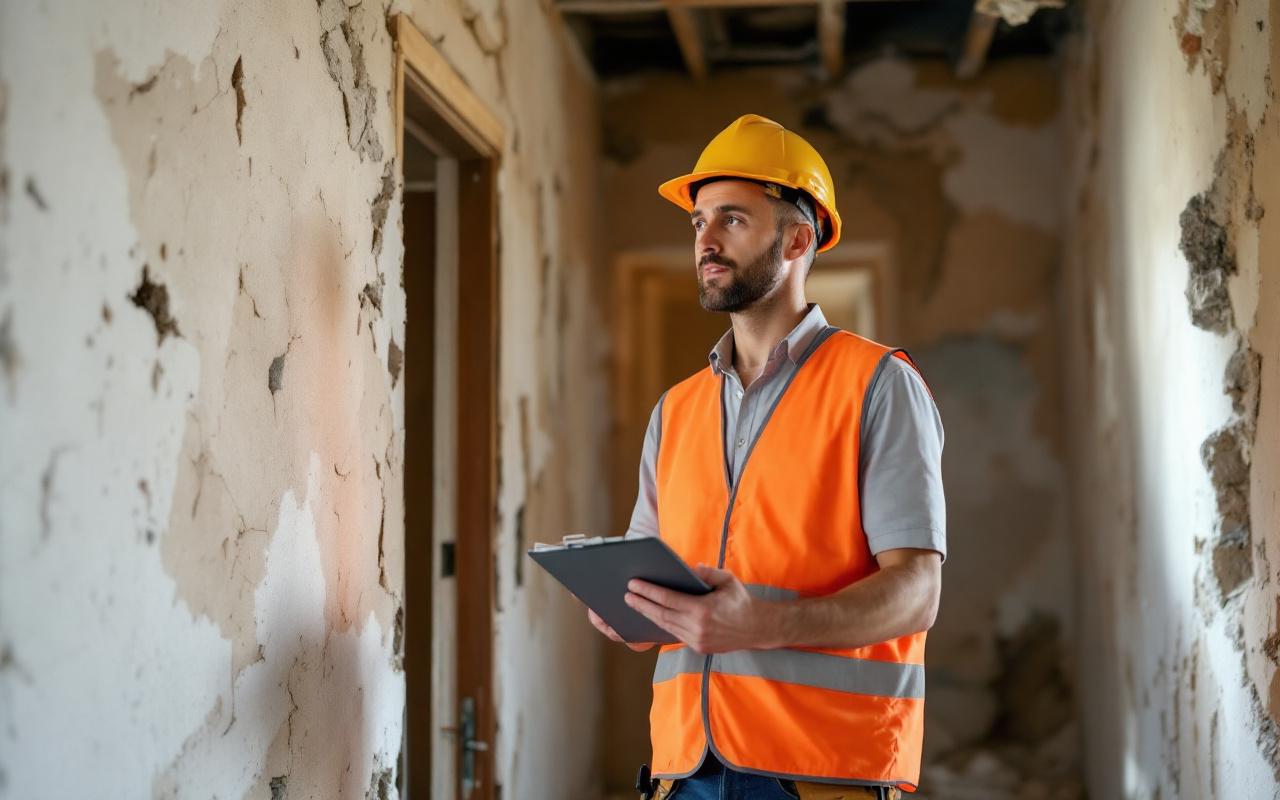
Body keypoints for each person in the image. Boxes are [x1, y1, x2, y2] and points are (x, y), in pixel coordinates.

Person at [588, 114, 946, 800]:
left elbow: (917, 593)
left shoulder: (876, 385)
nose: (707, 240)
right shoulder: (677, 410)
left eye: (732, 220)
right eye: (697, 222)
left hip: (821, 773)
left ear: (798, 239)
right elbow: (650, 587)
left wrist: (763, 624)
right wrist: (623, 609)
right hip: (685, 771)